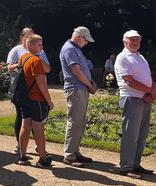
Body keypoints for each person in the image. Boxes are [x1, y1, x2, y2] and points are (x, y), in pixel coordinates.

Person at [114, 30, 156, 179]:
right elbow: (129, 81)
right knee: (131, 134)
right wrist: (151, 91)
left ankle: (135, 164)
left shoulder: (140, 57)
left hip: (144, 99)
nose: (136, 42)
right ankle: (126, 166)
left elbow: (148, 76)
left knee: (142, 134)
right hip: (132, 98)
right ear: (124, 41)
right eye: (132, 40)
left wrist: (152, 91)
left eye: (138, 39)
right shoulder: (122, 57)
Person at [6, 27, 51, 154]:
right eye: (28, 36)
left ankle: (24, 155)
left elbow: (47, 69)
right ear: (23, 38)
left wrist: (36, 58)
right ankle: (36, 153)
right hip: (25, 92)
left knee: (26, 124)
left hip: (28, 93)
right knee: (30, 123)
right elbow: (9, 68)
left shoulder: (37, 54)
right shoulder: (17, 51)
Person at [59, 26, 97, 167]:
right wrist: (90, 85)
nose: (86, 43)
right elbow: (76, 72)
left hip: (80, 88)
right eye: (86, 40)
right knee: (75, 122)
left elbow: (81, 70)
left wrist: (89, 84)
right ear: (79, 36)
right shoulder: (70, 48)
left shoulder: (75, 49)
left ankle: (75, 151)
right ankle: (69, 155)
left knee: (80, 123)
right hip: (75, 89)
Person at [16, 35, 54, 168]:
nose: (41, 47)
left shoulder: (23, 58)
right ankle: (43, 159)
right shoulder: (36, 61)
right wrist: (49, 101)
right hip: (36, 99)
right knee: (39, 129)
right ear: (30, 45)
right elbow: (41, 83)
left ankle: (22, 156)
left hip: (24, 98)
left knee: (25, 126)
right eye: (39, 45)